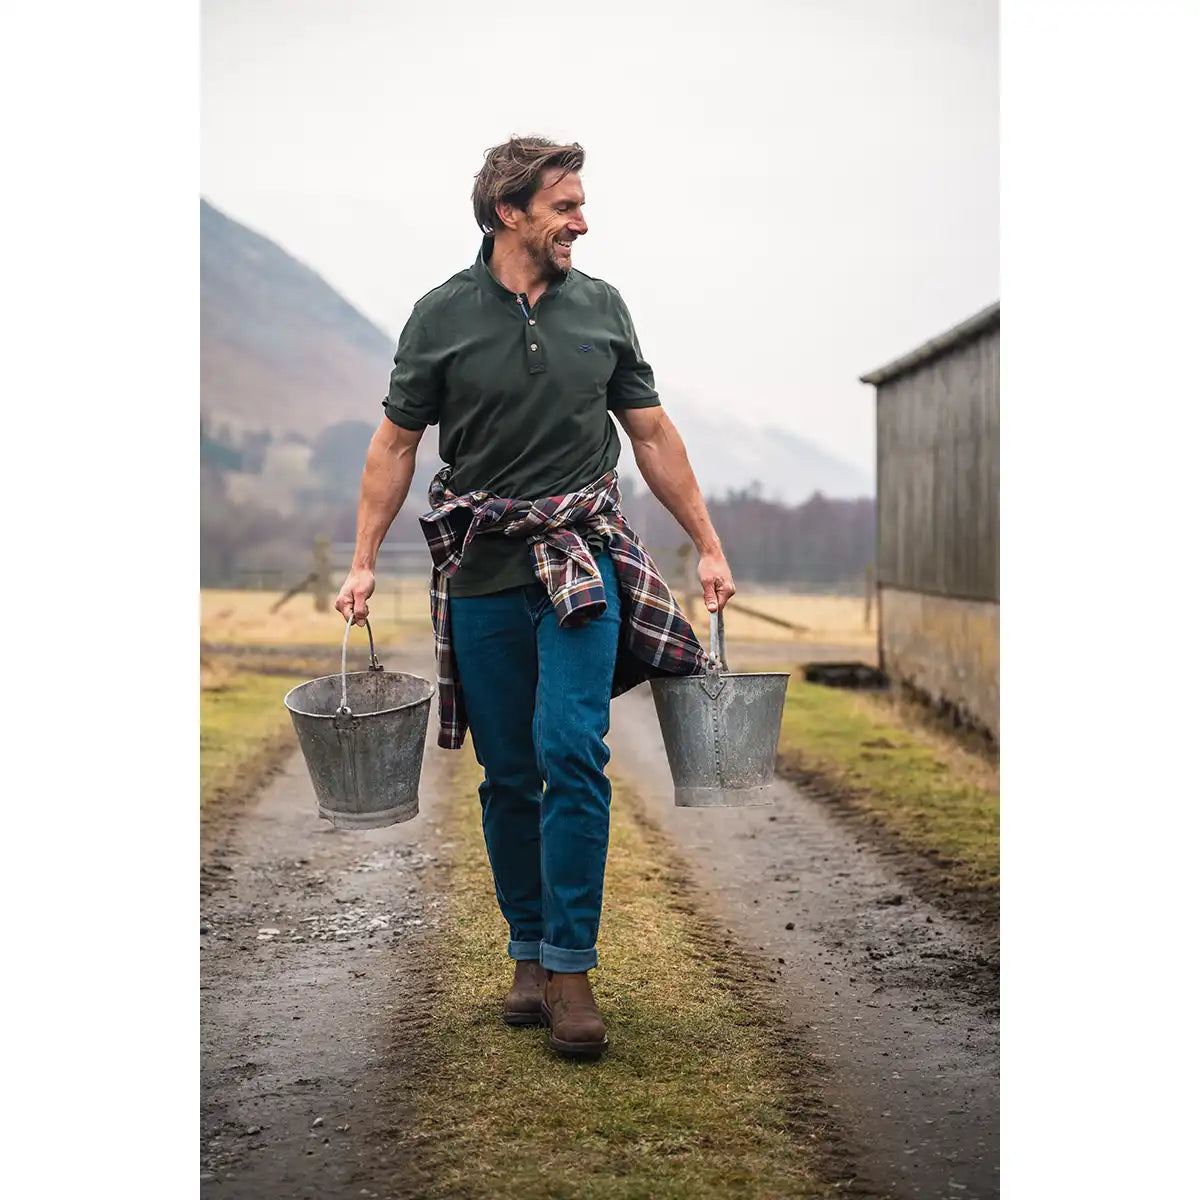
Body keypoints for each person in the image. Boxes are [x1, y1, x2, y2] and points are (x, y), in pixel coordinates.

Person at [335, 136, 736, 1059]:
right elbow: (395, 445)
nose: (582, 223)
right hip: (481, 570)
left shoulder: (602, 307)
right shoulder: (440, 315)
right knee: (509, 771)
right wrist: (361, 562)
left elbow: (651, 433)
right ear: (507, 212)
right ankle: (526, 947)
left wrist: (709, 544)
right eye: (565, 206)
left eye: (581, 205)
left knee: (572, 750)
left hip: (581, 562)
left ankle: (571, 966)